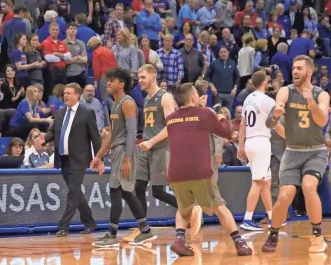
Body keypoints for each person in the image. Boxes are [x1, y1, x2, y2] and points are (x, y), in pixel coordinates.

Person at [139, 83, 252, 257]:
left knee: (184, 208)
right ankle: (239, 242)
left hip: (175, 173)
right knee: (219, 206)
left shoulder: (171, 119)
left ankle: (179, 241)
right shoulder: (205, 113)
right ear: (193, 97)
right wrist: (221, 118)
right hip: (199, 171)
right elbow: (228, 133)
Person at [263, 55, 330, 254]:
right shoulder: (286, 91)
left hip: (315, 152)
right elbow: (270, 123)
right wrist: (276, 112)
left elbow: (321, 120)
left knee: (309, 187)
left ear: (309, 72)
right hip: (292, 152)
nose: (295, 71)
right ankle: (273, 234)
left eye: (299, 68)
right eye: (293, 68)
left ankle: (317, 235)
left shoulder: (321, 94)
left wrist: (310, 102)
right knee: (284, 196)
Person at [90, 68, 157, 247]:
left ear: (122, 83)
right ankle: (145, 230)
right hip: (118, 150)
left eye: (112, 80)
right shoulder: (115, 104)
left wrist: (127, 158)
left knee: (118, 191)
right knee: (125, 193)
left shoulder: (128, 103)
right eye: (108, 80)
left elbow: (132, 133)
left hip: (125, 151)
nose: (108, 83)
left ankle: (112, 235)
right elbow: (112, 134)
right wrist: (98, 156)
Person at [124, 64, 178, 242]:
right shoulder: (147, 99)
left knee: (158, 192)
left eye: (143, 77)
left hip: (160, 148)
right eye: (139, 78)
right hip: (145, 148)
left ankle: (190, 209)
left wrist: (152, 141)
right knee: (138, 187)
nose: (139, 81)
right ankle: (144, 229)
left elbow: (171, 126)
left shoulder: (166, 97)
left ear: (153, 76)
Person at [44, 83, 101, 236]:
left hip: (79, 159)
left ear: (78, 95)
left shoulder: (87, 113)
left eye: (69, 93)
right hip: (63, 159)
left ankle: (63, 226)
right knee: (75, 193)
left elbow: (95, 138)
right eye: (65, 93)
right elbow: (52, 132)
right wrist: (43, 139)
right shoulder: (61, 112)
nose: (66, 96)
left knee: (72, 193)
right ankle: (89, 222)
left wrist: (99, 157)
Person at [237, 71, 278, 231]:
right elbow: (275, 123)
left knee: (266, 182)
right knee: (258, 182)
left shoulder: (247, 99)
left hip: (249, 142)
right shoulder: (268, 100)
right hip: (261, 142)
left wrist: (240, 146)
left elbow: (242, 125)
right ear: (265, 81)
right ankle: (247, 218)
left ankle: (273, 217)